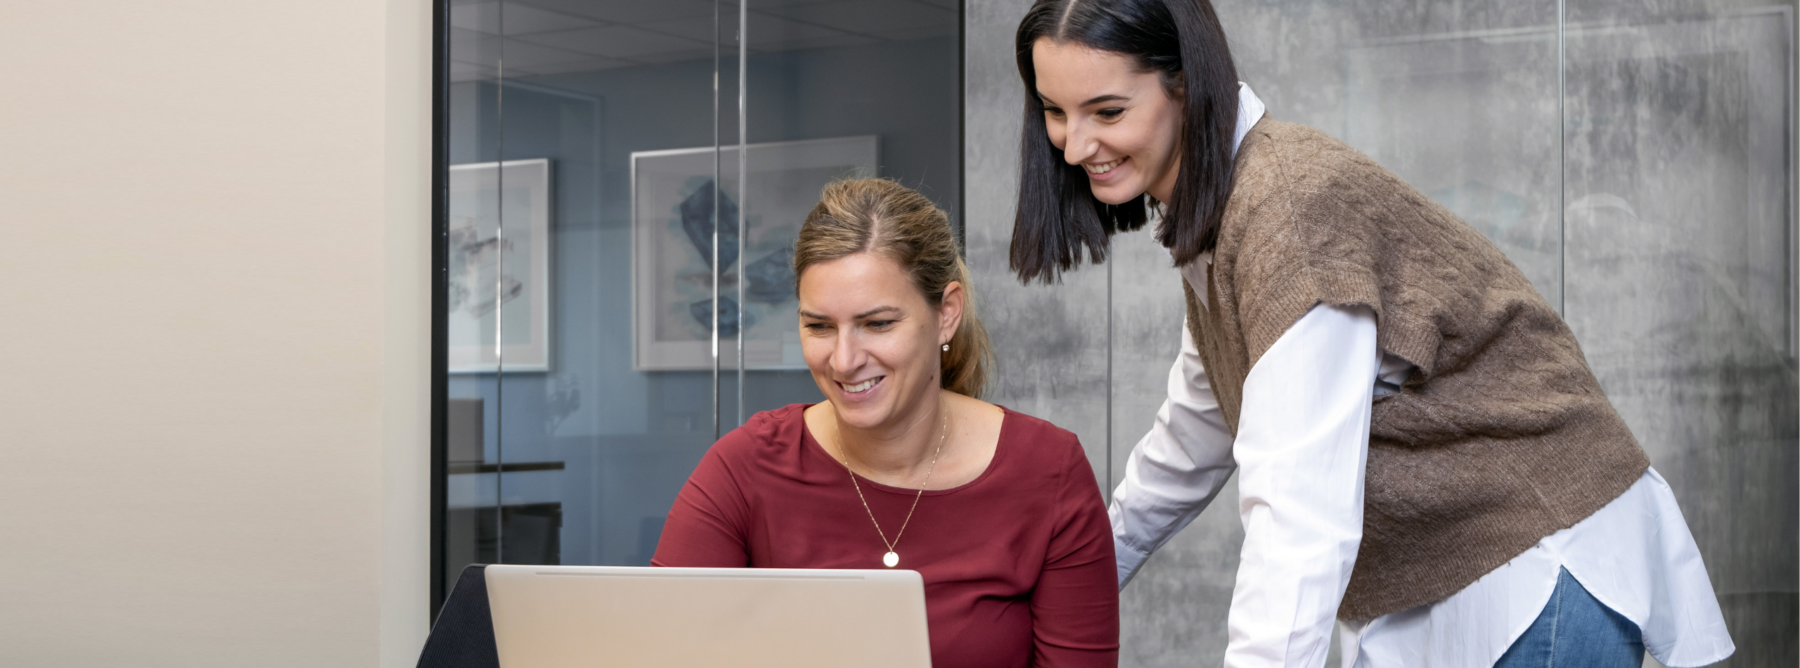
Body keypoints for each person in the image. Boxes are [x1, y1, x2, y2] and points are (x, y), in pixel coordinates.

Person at [1009, 1, 1736, 667]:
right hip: (1450, 576)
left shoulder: (1289, 213)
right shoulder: (1221, 221)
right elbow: (1191, 443)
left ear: (1186, 87)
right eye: (1055, 112)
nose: (1075, 147)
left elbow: (1298, 516)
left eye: (1106, 111)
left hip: (1533, 559)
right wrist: (1059, 583)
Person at [653, 178, 1119, 668]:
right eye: (819, 326)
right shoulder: (742, 468)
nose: (844, 359)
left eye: (877, 324)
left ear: (947, 314)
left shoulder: (1048, 470)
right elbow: (661, 651)